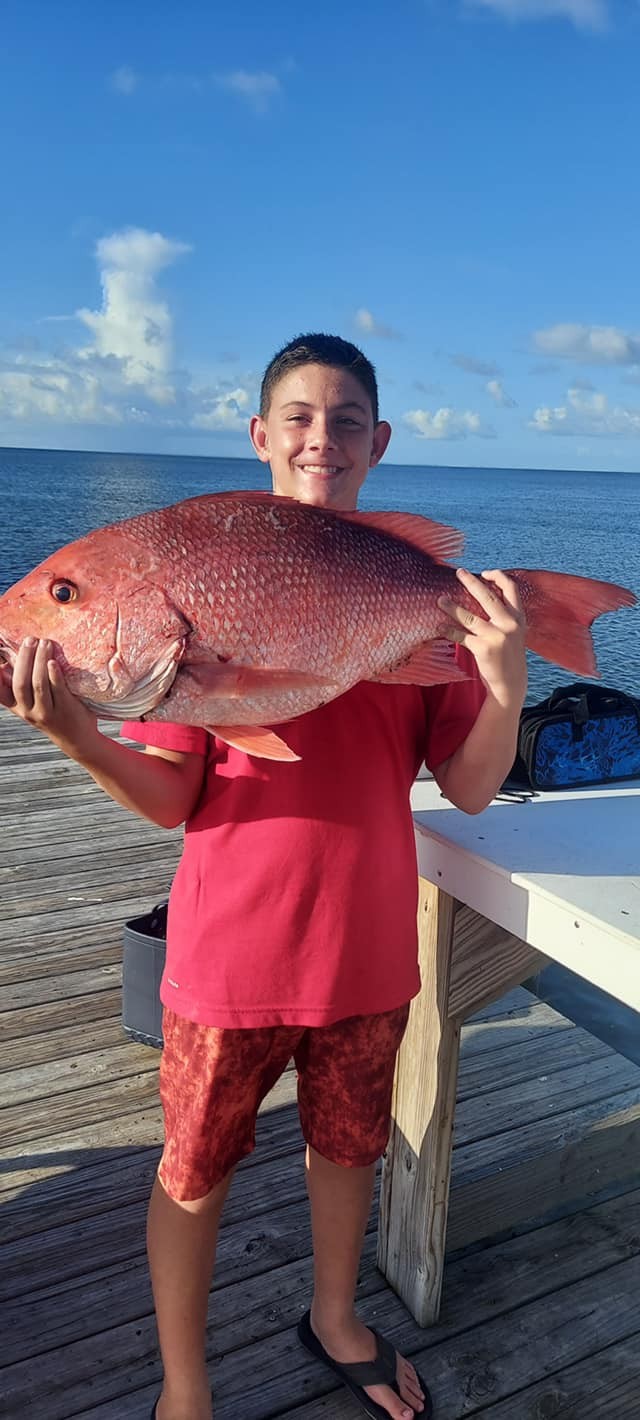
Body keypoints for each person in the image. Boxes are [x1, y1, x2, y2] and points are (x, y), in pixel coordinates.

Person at [0, 333, 528, 1420]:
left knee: (347, 1150)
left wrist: (508, 685)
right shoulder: (198, 580)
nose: (318, 438)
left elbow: (470, 789)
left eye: (343, 420)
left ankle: (337, 1316)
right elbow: (172, 800)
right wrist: (81, 735)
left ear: (376, 443)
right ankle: (185, 1387)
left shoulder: (402, 595)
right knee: (192, 1167)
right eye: (296, 416)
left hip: (367, 951)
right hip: (226, 956)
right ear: (259, 435)